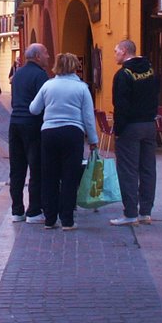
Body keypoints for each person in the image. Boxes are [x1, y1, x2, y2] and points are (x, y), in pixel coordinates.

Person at [30, 52, 99, 231]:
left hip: (49, 133)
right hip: (73, 133)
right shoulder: (82, 88)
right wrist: (93, 140)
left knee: (49, 176)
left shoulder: (48, 85)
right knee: (70, 176)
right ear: (74, 66)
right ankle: (67, 220)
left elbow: (34, 109)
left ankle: (50, 219)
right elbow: (88, 117)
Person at [109, 39, 158, 226]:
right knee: (148, 169)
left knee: (128, 170)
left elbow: (121, 105)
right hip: (149, 125)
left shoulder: (123, 74)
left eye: (115, 51)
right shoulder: (150, 70)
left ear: (123, 51)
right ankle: (145, 212)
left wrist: (119, 129)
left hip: (130, 126)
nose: (115, 55)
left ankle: (130, 213)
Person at [8, 43, 49, 224]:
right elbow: (43, 104)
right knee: (36, 167)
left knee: (17, 169)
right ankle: (33, 211)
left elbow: (13, 101)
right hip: (33, 125)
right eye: (46, 53)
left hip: (15, 123)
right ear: (38, 56)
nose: (48, 56)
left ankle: (17, 210)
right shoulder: (41, 76)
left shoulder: (18, 75)